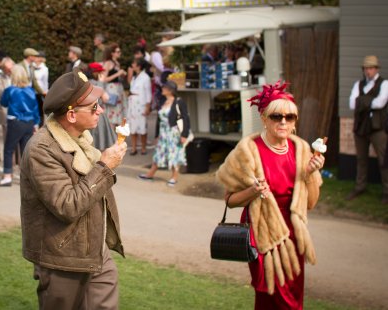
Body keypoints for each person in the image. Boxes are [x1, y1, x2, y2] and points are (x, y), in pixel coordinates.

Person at [19, 68, 127, 309]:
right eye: (93, 107)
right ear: (71, 116)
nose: (100, 110)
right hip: (61, 257)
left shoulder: (82, 141)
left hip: (94, 250)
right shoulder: (41, 149)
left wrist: (103, 166)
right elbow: (67, 205)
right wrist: (105, 167)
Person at [216, 81, 324, 309]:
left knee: (286, 295)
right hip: (261, 231)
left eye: (289, 117)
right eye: (276, 116)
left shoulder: (302, 150)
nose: (283, 122)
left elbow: (311, 203)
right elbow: (229, 200)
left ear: (295, 121)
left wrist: (311, 174)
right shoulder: (248, 151)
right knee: (278, 297)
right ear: (264, 118)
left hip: (293, 232)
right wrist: (253, 191)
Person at [348, 55, 388, 203]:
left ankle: (386, 191)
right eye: (366, 68)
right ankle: (360, 187)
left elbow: (380, 103)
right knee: (361, 159)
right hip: (360, 127)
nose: (368, 71)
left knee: (384, 160)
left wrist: (361, 101)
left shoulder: (384, 84)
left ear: (376, 69)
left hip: (378, 128)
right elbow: (352, 104)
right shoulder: (358, 84)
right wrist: (368, 102)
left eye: (371, 68)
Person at [138, 81, 190, 187]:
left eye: (164, 88)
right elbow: (159, 120)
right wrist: (156, 135)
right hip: (163, 133)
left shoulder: (179, 102)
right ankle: (150, 174)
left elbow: (185, 118)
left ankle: (174, 177)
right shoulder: (163, 101)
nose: (162, 89)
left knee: (174, 154)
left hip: (173, 132)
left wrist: (184, 135)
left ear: (170, 90)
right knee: (159, 153)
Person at [0, 65, 40, 187]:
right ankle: (27, 179)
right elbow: (35, 108)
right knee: (25, 151)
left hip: (15, 121)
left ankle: (7, 177)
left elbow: (3, 103)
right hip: (29, 122)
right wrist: (36, 124)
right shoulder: (30, 90)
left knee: (9, 149)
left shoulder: (10, 90)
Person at [88, 62, 117, 150]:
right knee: (100, 140)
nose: (101, 74)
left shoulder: (86, 82)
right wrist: (101, 83)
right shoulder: (96, 83)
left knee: (91, 140)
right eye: (99, 72)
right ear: (95, 73)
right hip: (97, 111)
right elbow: (106, 98)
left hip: (88, 112)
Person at [127, 58, 152, 155]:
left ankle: (143, 148)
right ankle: (134, 148)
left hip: (141, 104)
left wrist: (147, 106)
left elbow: (148, 93)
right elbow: (129, 85)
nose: (132, 65)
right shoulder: (134, 77)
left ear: (139, 66)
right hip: (133, 103)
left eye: (134, 63)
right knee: (133, 127)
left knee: (142, 127)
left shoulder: (145, 77)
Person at [100, 43, 127, 128]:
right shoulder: (108, 63)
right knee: (112, 114)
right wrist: (117, 74)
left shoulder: (116, 63)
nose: (120, 53)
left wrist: (121, 74)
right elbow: (103, 79)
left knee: (118, 114)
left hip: (118, 89)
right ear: (112, 53)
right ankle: (111, 138)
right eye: (118, 52)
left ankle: (116, 138)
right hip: (112, 89)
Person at [34, 50, 49, 126]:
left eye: (37, 57)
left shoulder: (44, 69)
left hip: (40, 93)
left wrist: (45, 92)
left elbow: (45, 82)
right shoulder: (31, 66)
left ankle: (40, 126)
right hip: (32, 92)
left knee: (40, 111)